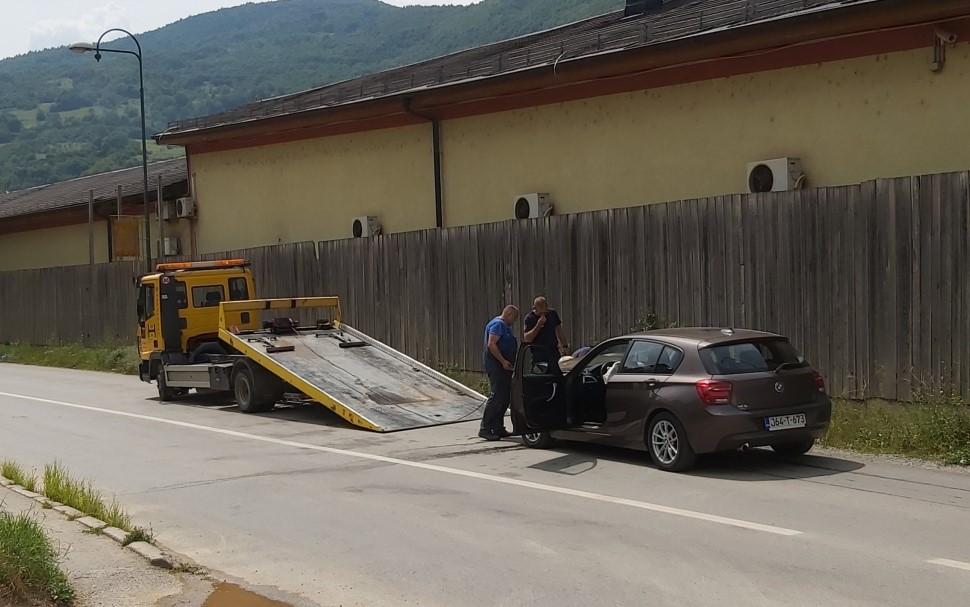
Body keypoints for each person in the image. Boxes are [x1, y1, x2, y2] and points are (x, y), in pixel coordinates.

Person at [479, 305, 520, 441]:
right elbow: (492, 344)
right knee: (496, 396)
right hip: (497, 366)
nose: (513, 322)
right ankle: (485, 428)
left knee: (504, 397)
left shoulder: (505, 326)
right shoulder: (498, 325)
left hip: (505, 367)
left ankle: (498, 427)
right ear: (508, 314)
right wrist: (502, 361)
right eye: (513, 318)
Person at [523, 297, 569, 362]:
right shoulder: (530, 318)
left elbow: (559, 330)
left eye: (545, 312)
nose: (543, 314)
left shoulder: (552, 314)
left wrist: (565, 346)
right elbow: (527, 339)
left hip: (553, 351)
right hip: (539, 353)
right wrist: (538, 324)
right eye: (540, 313)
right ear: (534, 308)